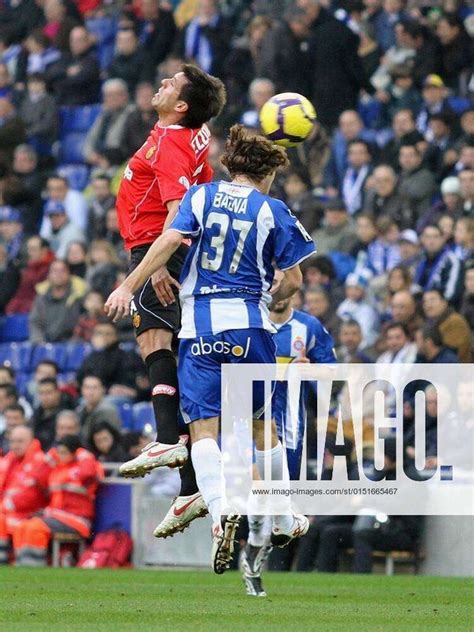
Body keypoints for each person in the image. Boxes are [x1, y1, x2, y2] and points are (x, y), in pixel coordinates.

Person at [106, 124, 315, 574]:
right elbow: (294, 280)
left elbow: (165, 242)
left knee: (204, 431)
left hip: (197, 330)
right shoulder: (273, 210)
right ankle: (282, 514)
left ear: (230, 166)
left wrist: (128, 285)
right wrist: (271, 296)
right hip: (250, 328)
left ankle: (222, 515)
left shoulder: (199, 197)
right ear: (268, 174)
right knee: (261, 431)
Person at [113, 64, 226, 532]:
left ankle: (166, 440)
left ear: (182, 105)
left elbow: (180, 212)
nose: (161, 82)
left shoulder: (176, 141)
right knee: (173, 359)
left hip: (160, 250)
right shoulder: (186, 133)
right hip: (166, 248)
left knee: (153, 341)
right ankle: (191, 485)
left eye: (172, 83)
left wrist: (155, 264)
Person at [241, 283, 336, 596]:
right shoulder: (249, 323)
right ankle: (254, 552)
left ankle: (256, 549)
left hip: (293, 424)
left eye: (285, 289)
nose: (279, 295)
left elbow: (332, 374)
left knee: (272, 493)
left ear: (294, 292)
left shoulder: (308, 328)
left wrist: (311, 371)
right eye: (273, 289)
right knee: (262, 484)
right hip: (253, 419)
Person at [12, 434, 103, 566]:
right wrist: (48, 459)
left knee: (35, 527)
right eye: (59, 452)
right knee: (22, 527)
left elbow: (88, 473)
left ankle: (33, 567)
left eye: (64, 452)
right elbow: (37, 477)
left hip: (77, 520)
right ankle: (22, 565)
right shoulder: (57, 470)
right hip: (58, 516)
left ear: (75, 453)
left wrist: (84, 454)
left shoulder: (84, 465)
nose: (60, 456)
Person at [0, 426, 50, 564]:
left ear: (31, 441)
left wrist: (4, 505)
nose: (15, 445)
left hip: (30, 513)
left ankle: (22, 565)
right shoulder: (10, 460)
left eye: (20, 441)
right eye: (13, 441)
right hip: (10, 512)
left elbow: (32, 496)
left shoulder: (40, 461)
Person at [29, 259, 86, 344]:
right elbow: (35, 322)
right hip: (45, 342)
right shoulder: (41, 297)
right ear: (49, 275)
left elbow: (84, 321)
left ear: (69, 273)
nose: (59, 275)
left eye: (62, 271)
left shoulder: (79, 295)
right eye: (55, 271)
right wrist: (39, 342)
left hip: (73, 343)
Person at [414, 224, 464, 306]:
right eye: (427, 237)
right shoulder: (419, 259)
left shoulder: (452, 261)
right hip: (421, 306)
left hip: (444, 307)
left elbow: (451, 295)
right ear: (422, 239)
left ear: (442, 239)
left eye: (435, 237)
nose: (431, 241)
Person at [5, 236, 54, 315]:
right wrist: (11, 308)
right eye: (29, 249)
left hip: (36, 313)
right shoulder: (29, 266)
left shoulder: (53, 268)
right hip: (20, 310)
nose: (29, 253)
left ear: (44, 250)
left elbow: (39, 297)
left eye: (33, 249)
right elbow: (21, 293)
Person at [422, 289, 471, 362]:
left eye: (432, 300)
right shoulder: (428, 324)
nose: (428, 305)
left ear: (444, 302)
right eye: (425, 302)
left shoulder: (455, 321)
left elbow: (455, 355)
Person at [31, 377, 74, 451]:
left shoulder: (66, 415)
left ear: (57, 393)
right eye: (41, 393)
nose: (45, 397)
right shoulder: (36, 414)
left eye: (48, 392)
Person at [75, 374, 121, 442]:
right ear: (82, 390)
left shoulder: (108, 410)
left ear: (103, 390)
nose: (91, 392)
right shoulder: (80, 409)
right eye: (87, 387)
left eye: (95, 388)